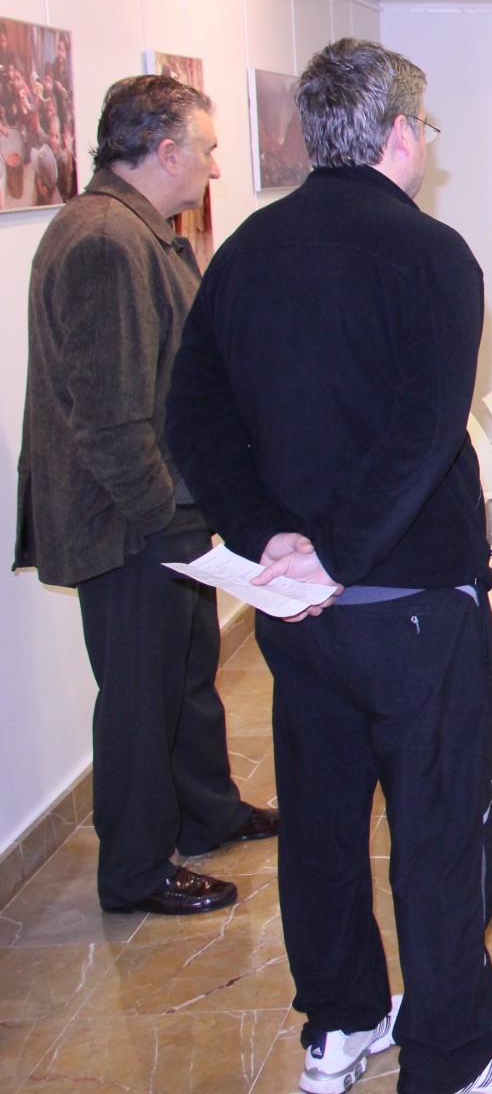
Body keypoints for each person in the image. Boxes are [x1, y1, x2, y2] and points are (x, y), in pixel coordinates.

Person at [167, 39, 492, 1094]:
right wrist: (336, 549)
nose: (426, 147)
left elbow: (191, 414)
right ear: (395, 132)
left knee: (324, 825)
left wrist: (269, 536)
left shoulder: (246, 250)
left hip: (297, 610)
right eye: (423, 129)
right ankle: (452, 1056)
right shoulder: (433, 255)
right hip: (413, 604)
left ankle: (338, 1025)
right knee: (439, 831)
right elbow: (424, 437)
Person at [15, 75, 271, 921]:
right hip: (128, 524)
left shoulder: (136, 231)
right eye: (205, 147)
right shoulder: (103, 242)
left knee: (188, 671)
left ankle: (206, 811)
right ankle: (134, 870)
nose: (212, 163)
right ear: (165, 152)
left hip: (166, 515)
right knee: (138, 696)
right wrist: (162, 515)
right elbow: (108, 413)